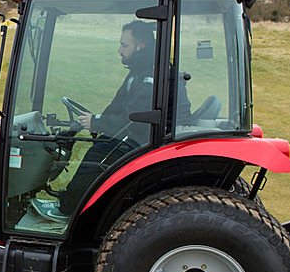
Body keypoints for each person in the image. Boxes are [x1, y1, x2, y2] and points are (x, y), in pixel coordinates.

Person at [33, 20, 189, 222]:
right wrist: (96, 121)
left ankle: (67, 209)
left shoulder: (151, 76)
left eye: (124, 45)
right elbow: (118, 106)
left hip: (147, 141)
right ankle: (69, 202)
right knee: (100, 145)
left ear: (141, 46)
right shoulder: (141, 71)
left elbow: (132, 120)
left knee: (97, 155)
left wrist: (97, 123)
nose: (119, 50)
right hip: (145, 135)